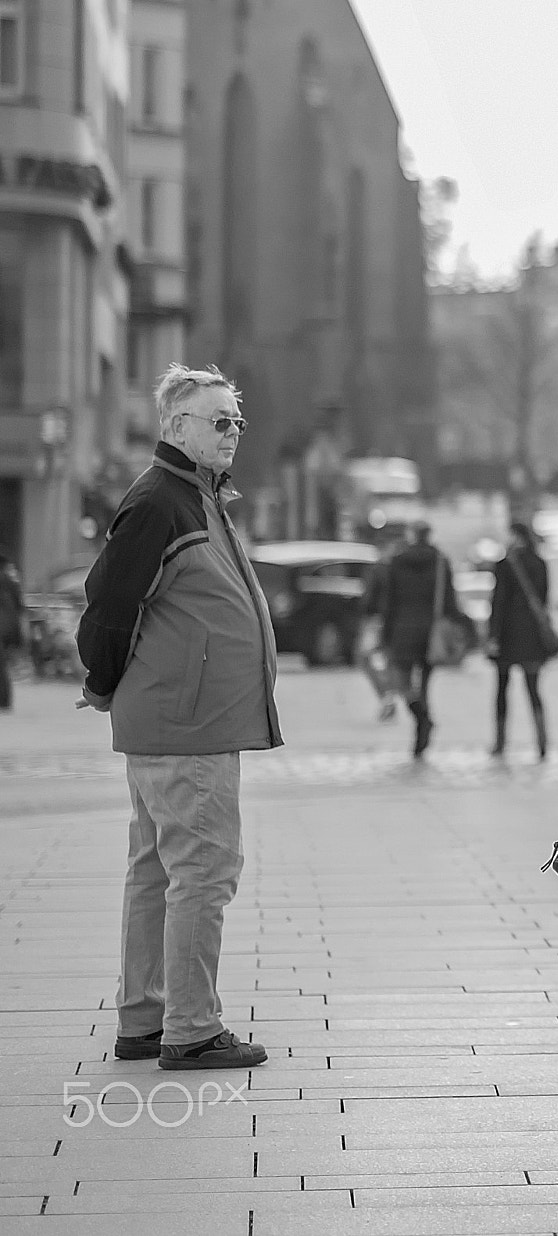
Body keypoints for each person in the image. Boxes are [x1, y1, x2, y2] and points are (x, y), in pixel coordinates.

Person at [75, 363, 278, 1071]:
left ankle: (145, 1019)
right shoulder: (162, 500)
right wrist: (102, 680)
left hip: (182, 720)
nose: (231, 434)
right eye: (218, 421)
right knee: (204, 870)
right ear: (175, 427)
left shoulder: (195, 495)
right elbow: (109, 603)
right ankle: (190, 1028)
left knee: (158, 871)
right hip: (187, 727)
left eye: (236, 422)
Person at [377, 520, 464, 758]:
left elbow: (389, 601)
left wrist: (385, 634)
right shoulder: (439, 562)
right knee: (425, 685)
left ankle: (421, 719)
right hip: (430, 633)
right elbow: (449, 600)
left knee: (402, 683)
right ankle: (422, 729)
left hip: (402, 630)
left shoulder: (397, 561)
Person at [487, 520, 557, 758]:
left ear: (516, 536)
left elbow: (498, 603)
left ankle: (500, 742)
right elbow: (544, 598)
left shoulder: (505, 565)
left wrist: (492, 636)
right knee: (533, 688)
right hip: (532, 637)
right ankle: (542, 742)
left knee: (502, 688)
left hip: (507, 636)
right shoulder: (540, 563)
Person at [360, 540, 402, 723]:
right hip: (390, 621)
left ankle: (387, 696)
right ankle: (389, 696)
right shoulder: (395, 570)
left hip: (376, 620)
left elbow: (369, 598)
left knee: (365, 657)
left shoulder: (379, 570)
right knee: (388, 660)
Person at [0, 546, 20, 712]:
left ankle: (3, 699)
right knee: (3, 663)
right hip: (8, 625)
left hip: (3, 625)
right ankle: (4, 699)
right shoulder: (10, 580)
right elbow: (19, 604)